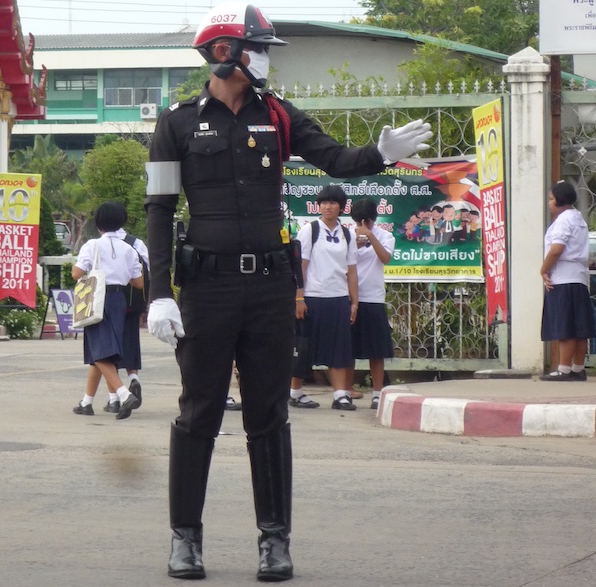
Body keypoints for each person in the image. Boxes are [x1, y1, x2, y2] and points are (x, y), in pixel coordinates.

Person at [144, 3, 431, 581]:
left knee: (268, 415)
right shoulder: (176, 123)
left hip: (271, 287)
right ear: (223, 52)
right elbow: (158, 209)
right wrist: (160, 292)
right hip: (208, 288)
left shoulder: (276, 114)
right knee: (198, 411)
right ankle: (185, 538)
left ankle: (274, 541)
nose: (265, 58)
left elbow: (337, 158)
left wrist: (381, 154)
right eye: (259, 47)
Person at [71, 202, 145, 419]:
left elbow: (77, 273)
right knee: (106, 350)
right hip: (118, 300)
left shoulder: (91, 246)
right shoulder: (130, 249)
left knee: (99, 350)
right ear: (122, 222)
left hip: (96, 297)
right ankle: (87, 402)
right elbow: (139, 282)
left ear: (98, 224)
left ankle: (123, 394)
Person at [289, 185, 358, 411]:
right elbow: (301, 265)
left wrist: (354, 302)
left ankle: (340, 395)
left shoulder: (347, 233)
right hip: (313, 297)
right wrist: (299, 298)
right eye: (324, 202)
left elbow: (352, 270)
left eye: (333, 202)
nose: (328, 206)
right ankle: (295, 392)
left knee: (338, 347)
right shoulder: (310, 230)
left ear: (341, 207)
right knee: (304, 346)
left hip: (338, 298)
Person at [539, 181, 595, 381]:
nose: (549, 203)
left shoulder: (563, 220)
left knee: (566, 326)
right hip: (578, 277)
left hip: (563, 278)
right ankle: (578, 368)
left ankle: (563, 369)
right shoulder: (578, 218)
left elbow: (556, 249)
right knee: (579, 327)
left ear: (560, 201)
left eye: (551, 199)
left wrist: (543, 270)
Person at [96, 208, 149, 414]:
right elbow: (147, 272)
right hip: (132, 301)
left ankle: (115, 398)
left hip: (106, 300)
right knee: (130, 340)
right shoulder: (135, 243)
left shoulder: (96, 244)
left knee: (108, 348)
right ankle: (133, 378)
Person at [350, 198, 396, 409]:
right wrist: (355, 243)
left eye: (365, 221)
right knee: (347, 347)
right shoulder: (347, 235)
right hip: (350, 297)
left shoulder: (385, 236)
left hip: (373, 297)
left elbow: (385, 258)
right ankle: (345, 389)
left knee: (376, 349)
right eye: (358, 221)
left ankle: (377, 392)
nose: (362, 225)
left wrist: (371, 237)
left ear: (372, 220)